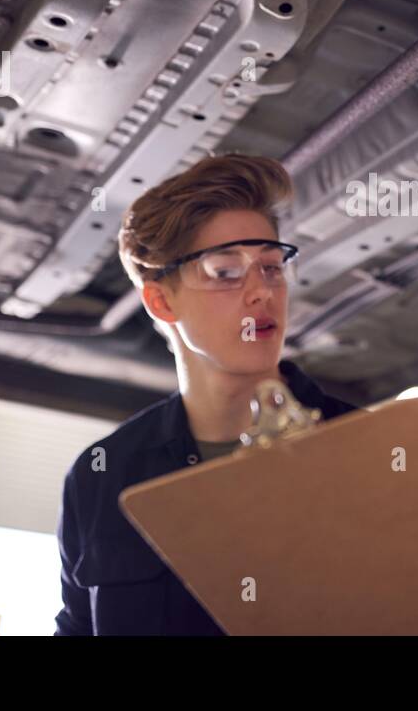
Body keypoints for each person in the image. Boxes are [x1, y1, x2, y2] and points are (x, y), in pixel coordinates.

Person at [54, 154, 354, 635]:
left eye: (272, 267)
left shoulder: (367, 449)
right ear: (161, 300)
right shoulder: (102, 477)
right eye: (226, 272)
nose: (262, 292)